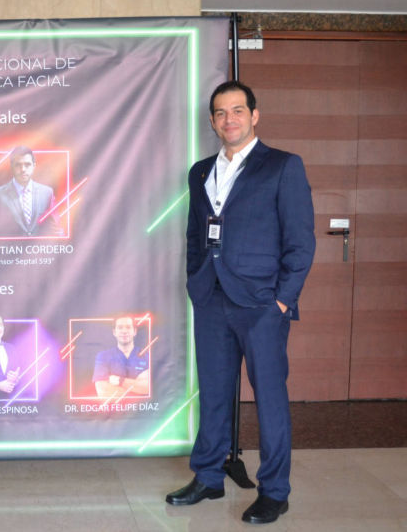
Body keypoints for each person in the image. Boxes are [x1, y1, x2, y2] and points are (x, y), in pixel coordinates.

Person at [165, 81, 315, 525]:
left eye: (237, 110)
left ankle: (275, 492)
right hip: (211, 299)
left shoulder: (283, 166)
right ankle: (208, 476)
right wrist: (196, 283)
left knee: (269, 399)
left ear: (254, 115)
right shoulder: (200, 172)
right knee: (213, 394)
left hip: (261, 305)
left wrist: (283, 302)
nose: (228, 119)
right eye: (220, 112)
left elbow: (301, 242)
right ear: (212, 122)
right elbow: (196, 235)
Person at [0, 146, 62, 237]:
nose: (23, 169)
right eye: (18, 165)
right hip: (10, 246)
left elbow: (57, 230)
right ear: (11, 166)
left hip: (40, 246)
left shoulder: (47, 193)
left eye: (27, 165)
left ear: (34, 166)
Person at [92, 317, 150, 399]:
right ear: (114, 332)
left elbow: (148, 388)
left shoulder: (147, 355)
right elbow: (103, 391)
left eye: (128, 327)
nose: (124, 331)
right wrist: (137, 389)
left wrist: (120, 380)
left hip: (142, 407)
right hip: (114, 407)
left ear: (135, 331)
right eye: (120, 327)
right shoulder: (103, 356)